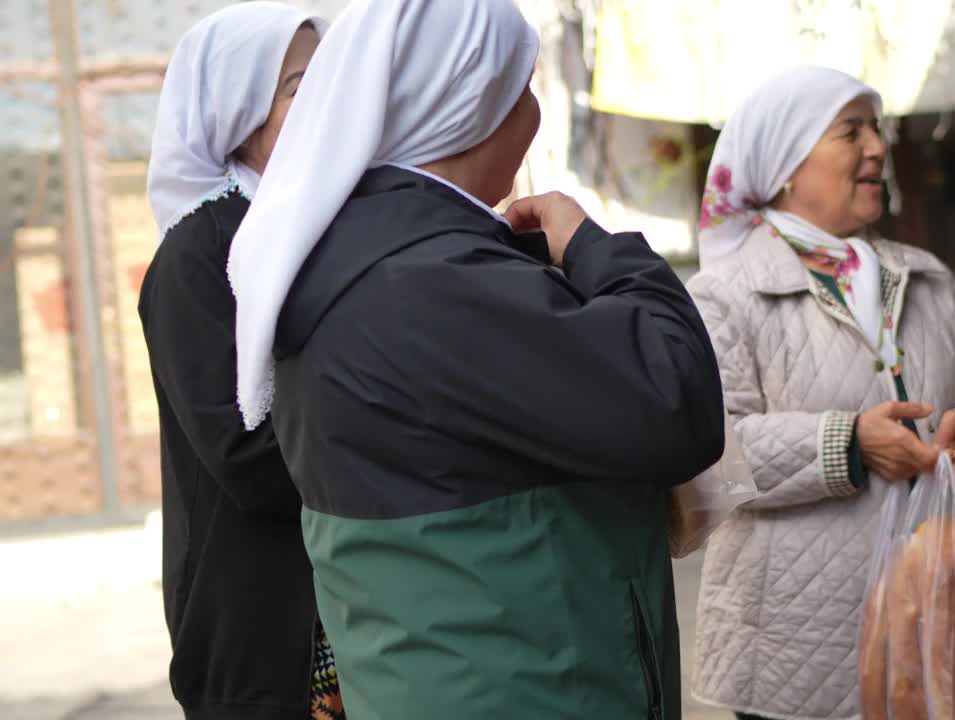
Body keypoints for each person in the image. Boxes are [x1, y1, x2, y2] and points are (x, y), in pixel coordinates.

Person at [225, 0, 727, 717]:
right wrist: (596, 248)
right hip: (532, 687)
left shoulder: (353, 259)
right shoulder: (432, 283)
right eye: (521, 87)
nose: (532, 113)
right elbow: (675, 401)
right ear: (471, 105)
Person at [686, 66, 955, 720]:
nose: (877, 147)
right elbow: (709, 460)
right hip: (797, 652)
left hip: (940, 617)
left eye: (876, 128)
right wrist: (849, 444)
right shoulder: (723, 296)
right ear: (787, 162)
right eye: (850, 131)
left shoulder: (926, 279)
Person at [137, 4, 344, 719]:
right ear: (237, 113)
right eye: (295, 87)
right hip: (263, 631)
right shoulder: (199, 254)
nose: (324, 102)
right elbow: (243, 453)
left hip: (362, 604)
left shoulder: (337, 228)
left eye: (329, 79)